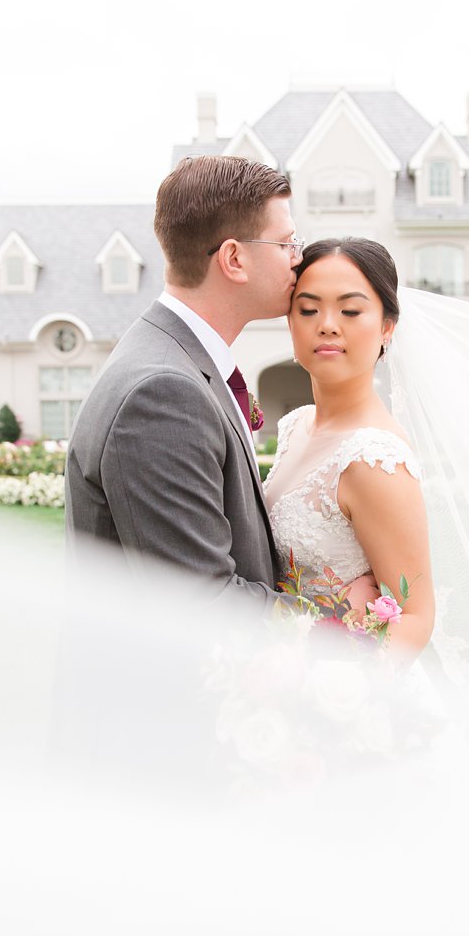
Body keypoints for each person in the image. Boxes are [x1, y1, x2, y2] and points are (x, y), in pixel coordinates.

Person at [65, 155, 321, 606]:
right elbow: (204, 602)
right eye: (286, 244)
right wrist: (344, 620)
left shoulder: (174, 359)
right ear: (234, 258)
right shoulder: (162, 393)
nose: (298, 259)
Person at [263, 238, 434, 657]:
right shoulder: (294, 426)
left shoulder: (375, 458)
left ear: (387, 327)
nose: (327, 324)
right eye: (308, 309)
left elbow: (414, 618)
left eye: (351, 310)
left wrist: (325, 690)